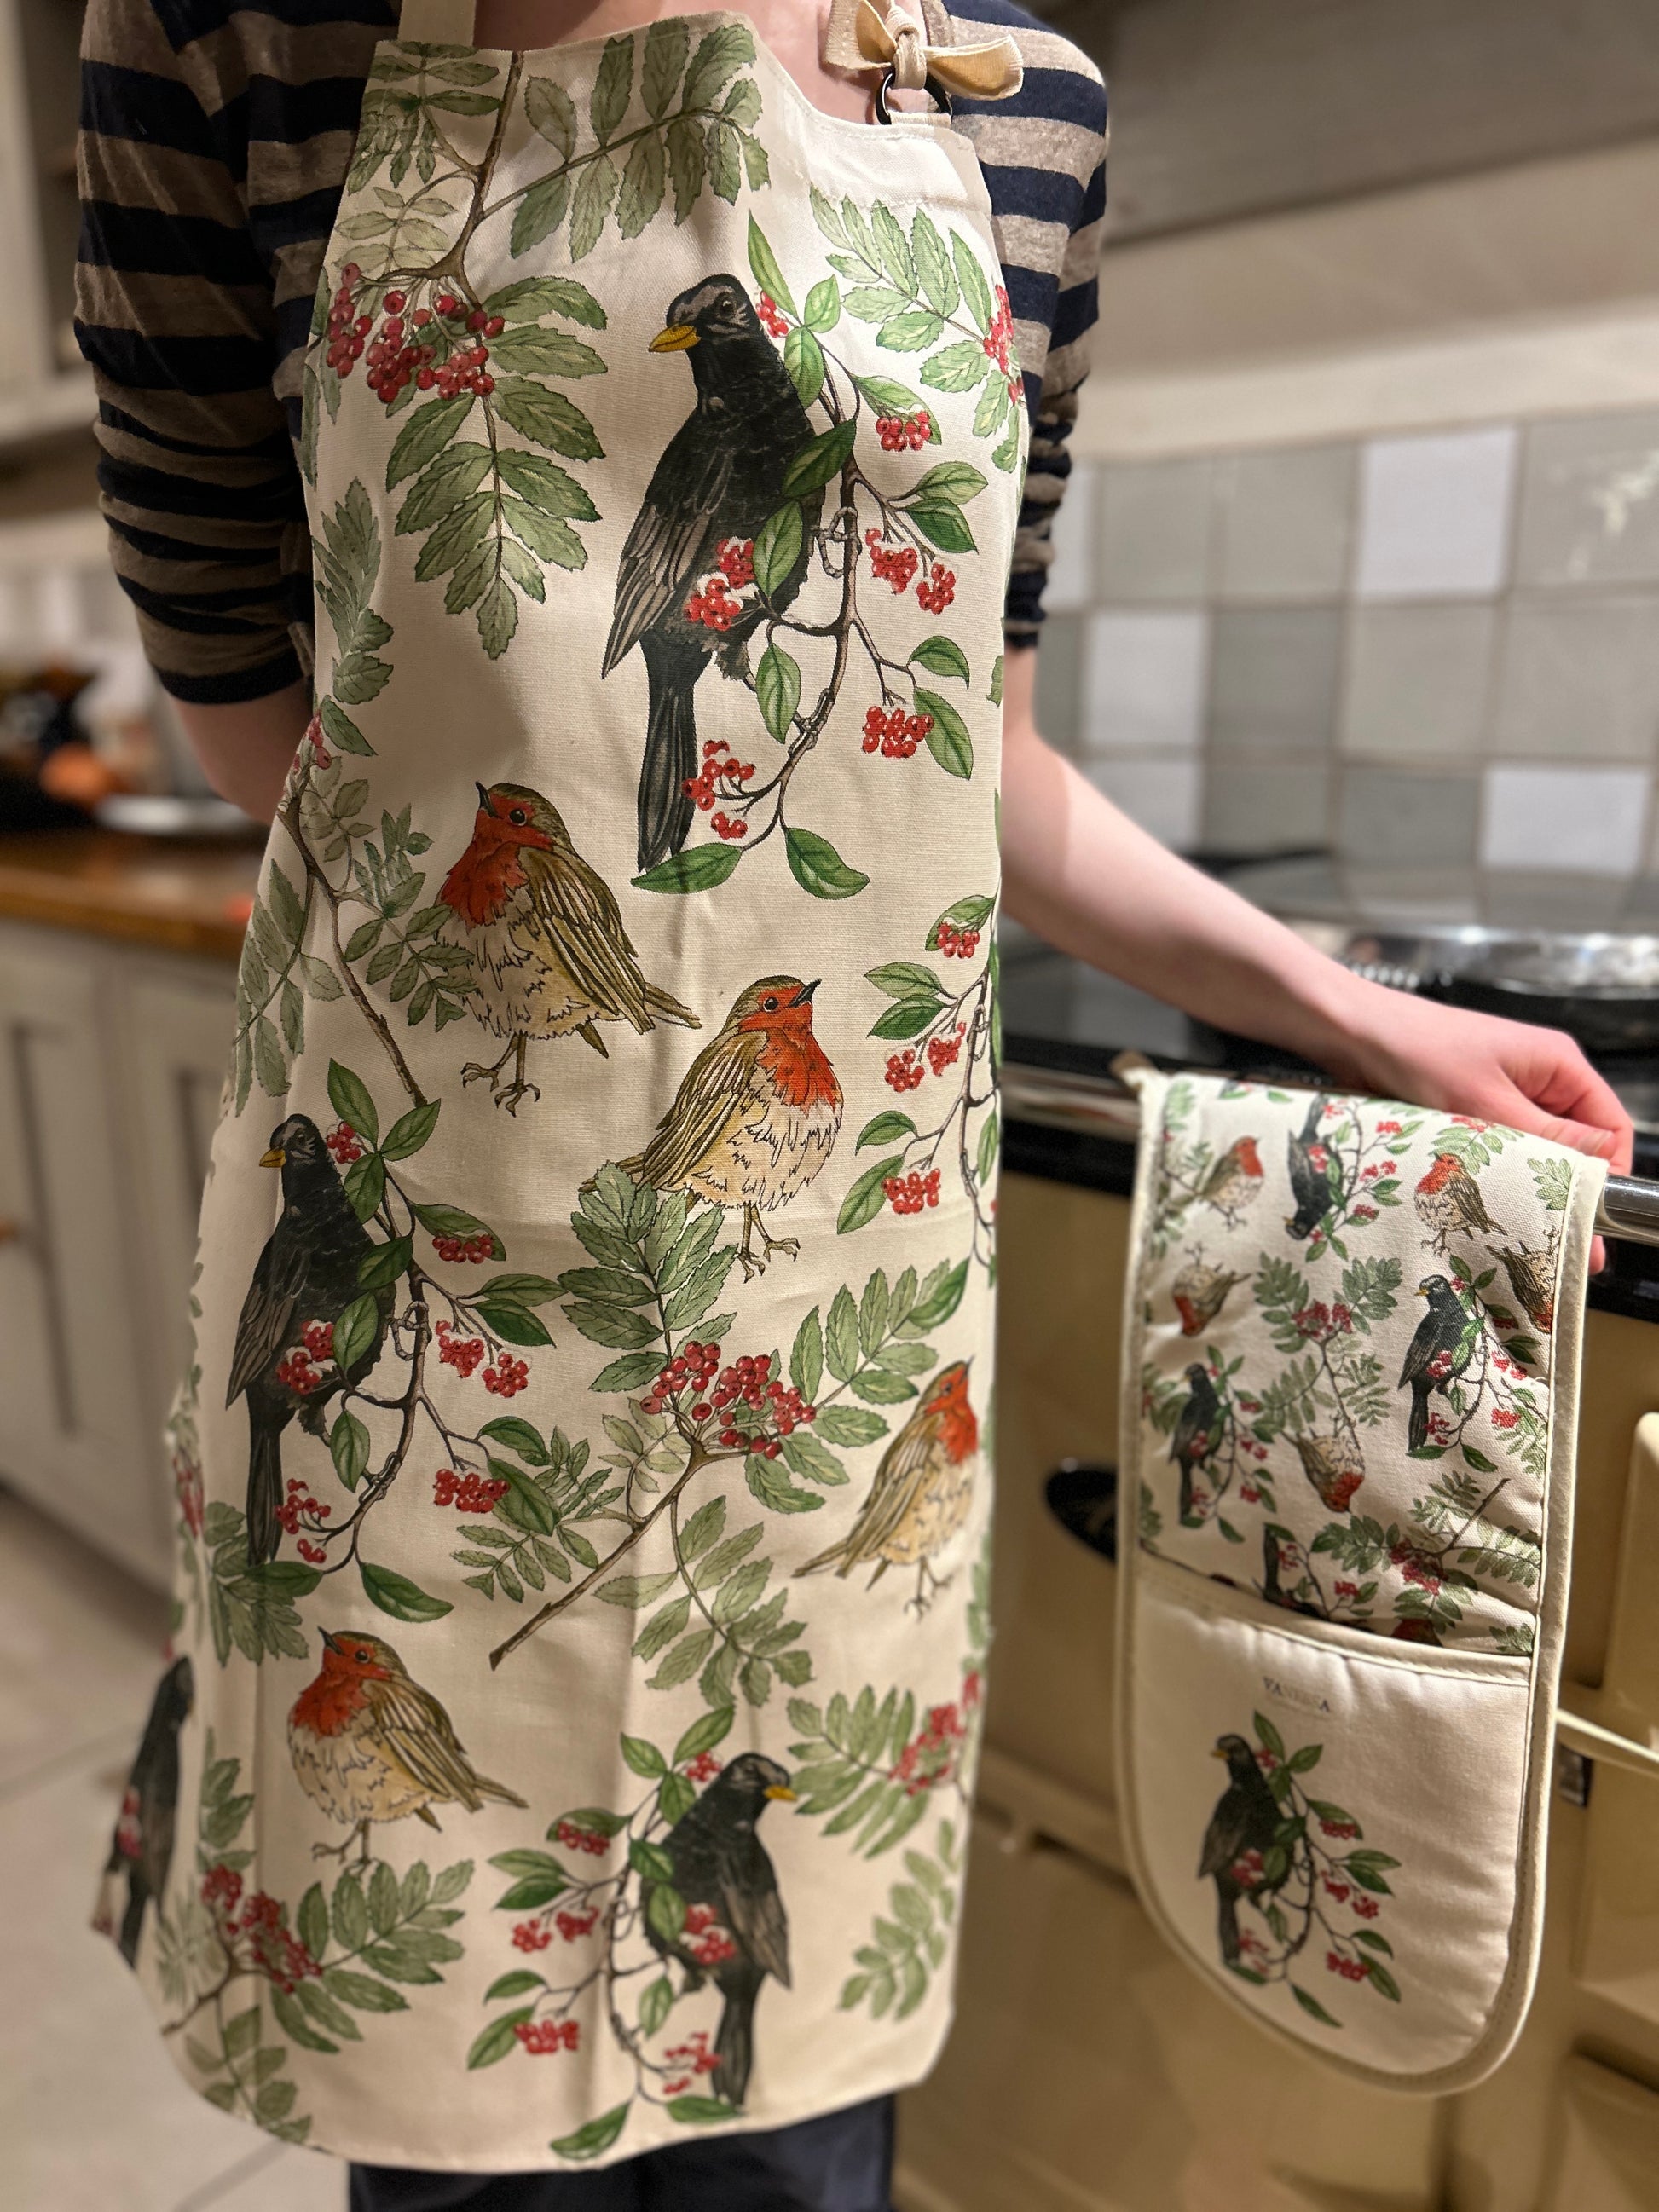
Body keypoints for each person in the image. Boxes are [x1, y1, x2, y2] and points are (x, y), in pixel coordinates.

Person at [77, 3, 1629, 2208]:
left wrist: (1352, 1009)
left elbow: (981, 758)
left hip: (822, 1318)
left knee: (785, 2108)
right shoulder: (227, 34)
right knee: (455, 2129)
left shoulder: (1025, 112)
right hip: (440, 1255)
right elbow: (264, 714)